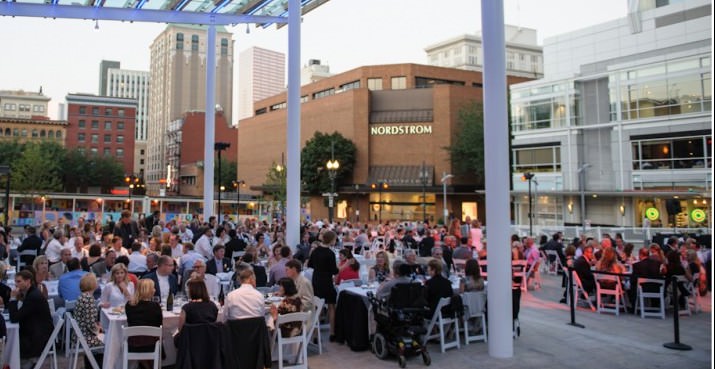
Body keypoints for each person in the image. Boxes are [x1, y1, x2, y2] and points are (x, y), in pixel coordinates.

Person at [8, 270, 54, 369]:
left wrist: (12, 298)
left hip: (38, 337)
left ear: (28, 281)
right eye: (16, 282)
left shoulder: (33, 296)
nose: (16, 285)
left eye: (19, 281)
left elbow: (14, 318)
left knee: (10, 342)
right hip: (36, 331)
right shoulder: (31, 293)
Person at [307, 230, 339, 341]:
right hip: (327, 282)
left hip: (316, 280)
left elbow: (310, 264)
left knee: (317, 308)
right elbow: (334, 271)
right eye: (334, 239)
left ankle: (315, 334)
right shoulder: (330, 254)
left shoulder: (315, 251)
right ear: (331, 240)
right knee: (331, 306)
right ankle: (332, 333)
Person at [125, 279, 163, 369]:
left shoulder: (129, 305)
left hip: (133, 343)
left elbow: (130, 321)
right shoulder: (155, 306)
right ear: (148, 290)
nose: (154, 290)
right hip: (151, 344)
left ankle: (146, 365)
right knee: (158, 337)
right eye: (153, 288)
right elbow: (159, 324)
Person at [73, 273, 104, 348]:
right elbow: (90, 323)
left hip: (79, 335)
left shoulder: (82, 296)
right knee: (111, 339)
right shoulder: (88, 299)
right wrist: (99, 330)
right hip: (86, 338)